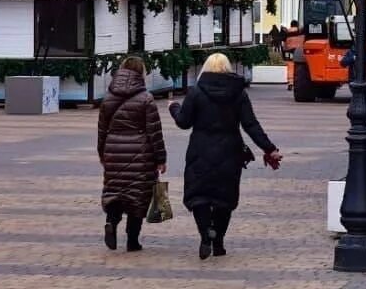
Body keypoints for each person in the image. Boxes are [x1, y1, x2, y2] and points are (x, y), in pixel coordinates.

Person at [169, 52, 282, 259]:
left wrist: (174, 108)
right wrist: (269, 148)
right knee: (224, 198)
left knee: (199, 195)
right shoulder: (238, 93)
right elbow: (251, 125)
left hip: (200, 150)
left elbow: (184, 122)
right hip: (230, 150)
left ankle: (205, 235)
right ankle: (218, 242)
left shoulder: (196, 92)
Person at [97, 56, 167, 251]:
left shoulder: (108, 97)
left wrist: (102, 153)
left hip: (113, 152)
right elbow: (155, 132)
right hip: (141, 155)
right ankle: (132, 241)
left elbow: (101, 129)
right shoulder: (146, 98)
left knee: (115, 192)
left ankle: (112, 222)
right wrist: (161, 158)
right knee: (137, 197)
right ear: (141, 72)